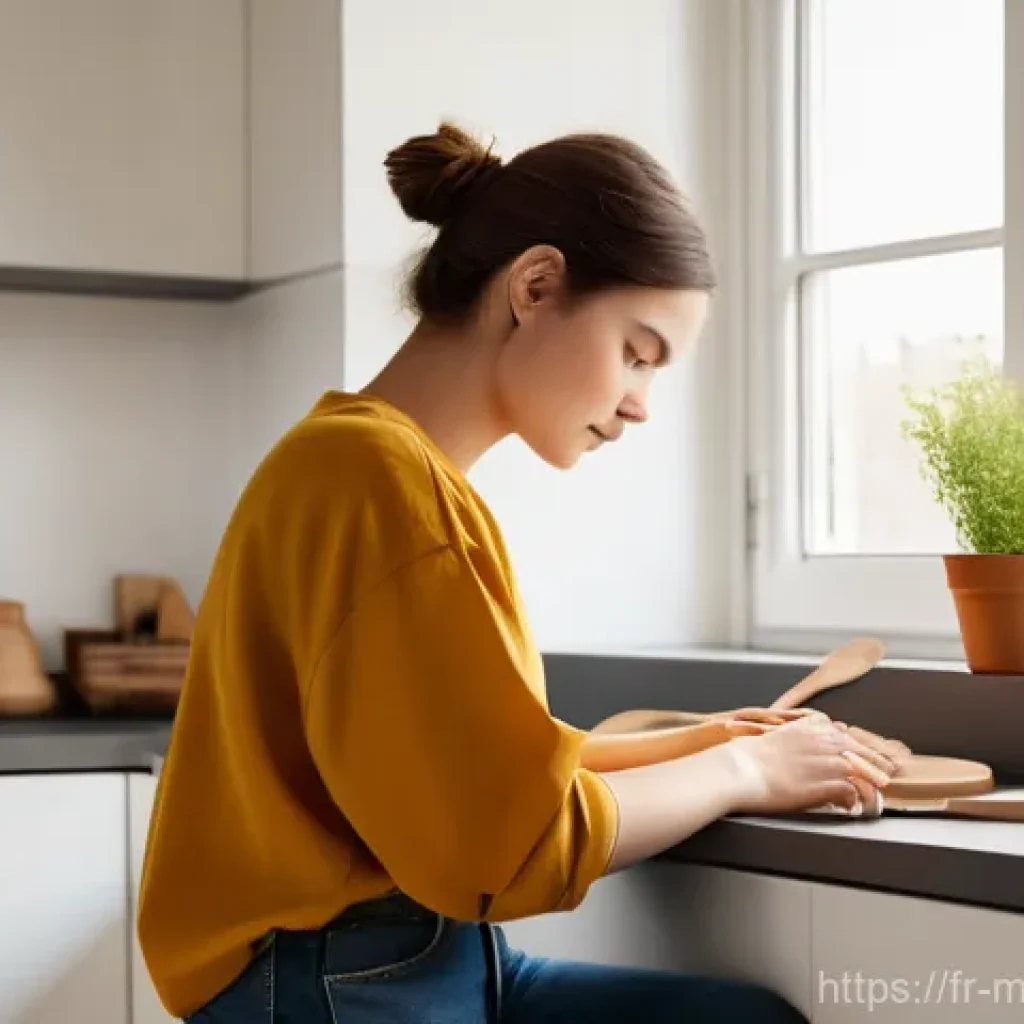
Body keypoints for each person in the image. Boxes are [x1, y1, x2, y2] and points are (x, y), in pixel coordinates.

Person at [137, 122, 892, 1023]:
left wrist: (714, 741)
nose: (640, 404)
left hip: (400, 970)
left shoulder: (358, 462)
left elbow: (477, 776)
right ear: (534, 286)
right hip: (337, 993)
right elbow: (509, 849)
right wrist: (748, 778)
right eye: (636, 353)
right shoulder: (386, 490)